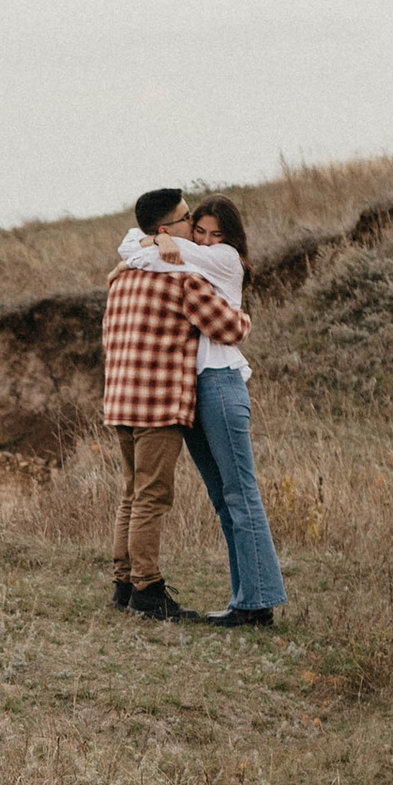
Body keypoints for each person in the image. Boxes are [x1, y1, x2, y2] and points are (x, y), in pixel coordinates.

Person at [113, 194, 287, 629]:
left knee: (239, 494)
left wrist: (148, 247)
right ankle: (246, 598)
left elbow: (231, 327)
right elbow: (138, 244)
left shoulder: (218, 259)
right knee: (224, 498)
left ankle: (257, 601)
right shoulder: (181, 264)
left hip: (220, 381)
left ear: (231, 237)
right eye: (197, 226)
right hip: (195, 388)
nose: (205, 238)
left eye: (216, 232)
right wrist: (154, 244)